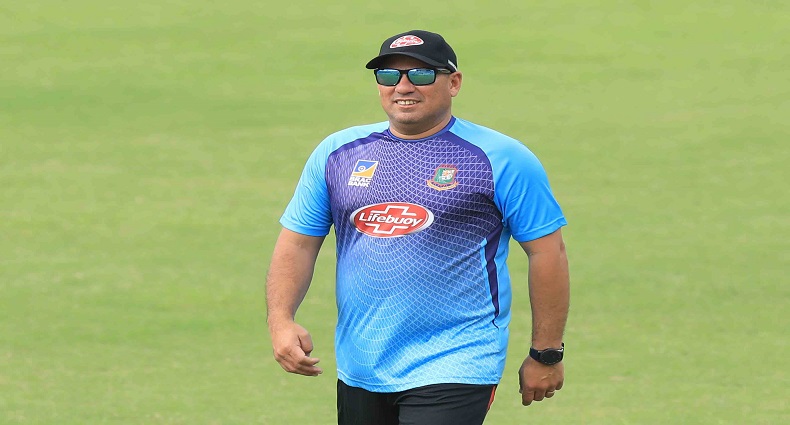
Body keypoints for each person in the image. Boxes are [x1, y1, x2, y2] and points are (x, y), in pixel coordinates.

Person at [266, 29, 570, 425]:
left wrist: (546, 352)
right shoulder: (337, 153)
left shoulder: (501, 158)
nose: (403, 86)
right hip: (362, 363)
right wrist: (281, 320)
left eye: (421, 74)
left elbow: (547, 252)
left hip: (458, 359)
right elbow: (298, 243)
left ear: (453, 82)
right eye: (389, 75)